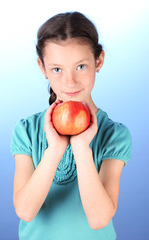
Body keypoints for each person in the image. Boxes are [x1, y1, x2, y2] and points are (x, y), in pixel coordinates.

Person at [10, 11, 132, 240]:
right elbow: (25, 211)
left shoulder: (115, 135)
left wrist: (81, 147)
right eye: (57, 69)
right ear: (42, 68)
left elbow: (98, 219)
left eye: (81, 67)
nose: (70, 82)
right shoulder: (26, 130)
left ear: (99, 61)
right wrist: (55, 148)